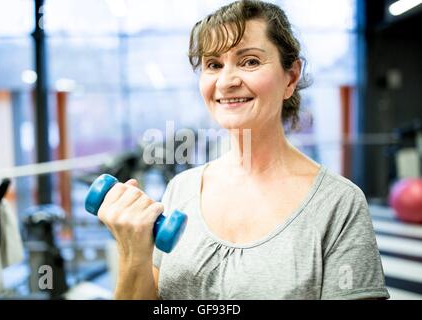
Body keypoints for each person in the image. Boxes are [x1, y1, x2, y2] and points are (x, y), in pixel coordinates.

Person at [97, 0, 390, 300]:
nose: (226, 81)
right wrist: (133, 252)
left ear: (290, 77)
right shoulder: (180, 190)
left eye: (249, 61)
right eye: (213, 65)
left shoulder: (339, 204)